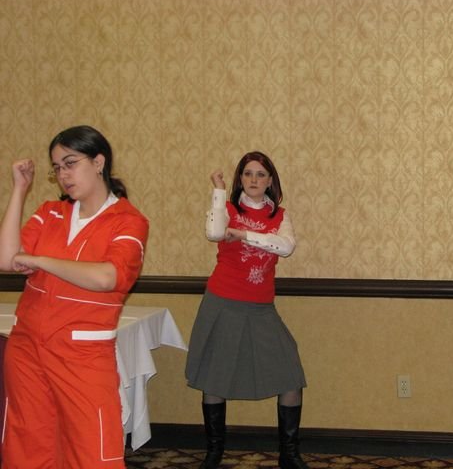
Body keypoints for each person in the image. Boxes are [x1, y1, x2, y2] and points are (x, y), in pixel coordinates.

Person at [0, 125, 149, 468]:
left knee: (93, 453)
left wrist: (39, 261)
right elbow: (6, 259)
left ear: (98, 162)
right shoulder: (50, 212)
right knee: (27, 449)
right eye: (57, 168)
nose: (63, 175)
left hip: (83, 355)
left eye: (70, 163)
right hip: (27, 349)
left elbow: (107, 277)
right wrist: (19, 189)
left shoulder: (129, 221)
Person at [185, 151, 307, 469]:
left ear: (270, 181)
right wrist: (218, 190)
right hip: (222, 303)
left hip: (261, 307)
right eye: (248, 173)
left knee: (291, 376)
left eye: (260, 174)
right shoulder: (226, 209)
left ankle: (289, 454)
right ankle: (214, 453)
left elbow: (286, 246)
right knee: (214, 378)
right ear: (240, 178)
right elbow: (214, 233)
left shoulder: (280, 216)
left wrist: (242, 235)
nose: (254, 179)